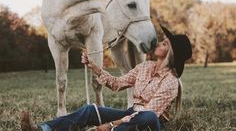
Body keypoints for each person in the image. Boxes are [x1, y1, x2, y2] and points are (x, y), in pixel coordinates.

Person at [20, 26, 192, 131]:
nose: (159, 44)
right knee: (89, 110)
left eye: (165, 43)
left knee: (146, 117)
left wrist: (111, 125)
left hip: (148, 124)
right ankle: (43, 129)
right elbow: (117, 84)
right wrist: (93, 66)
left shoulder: (171, 82)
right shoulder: (145, 67)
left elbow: (148, 114)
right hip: (131, 113)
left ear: (171, 53)